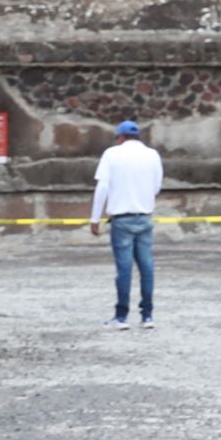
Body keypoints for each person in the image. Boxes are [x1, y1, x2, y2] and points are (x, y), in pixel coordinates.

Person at [89, 119, 164, 329]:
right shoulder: (152, 155)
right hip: (144, 217)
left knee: (124, 270)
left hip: (121, 219)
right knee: (147, 268)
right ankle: (147, 315)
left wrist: (95, 218)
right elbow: (156, 187)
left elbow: (102, 188)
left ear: (120, 137)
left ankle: (121, 316)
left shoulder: (111, 154)